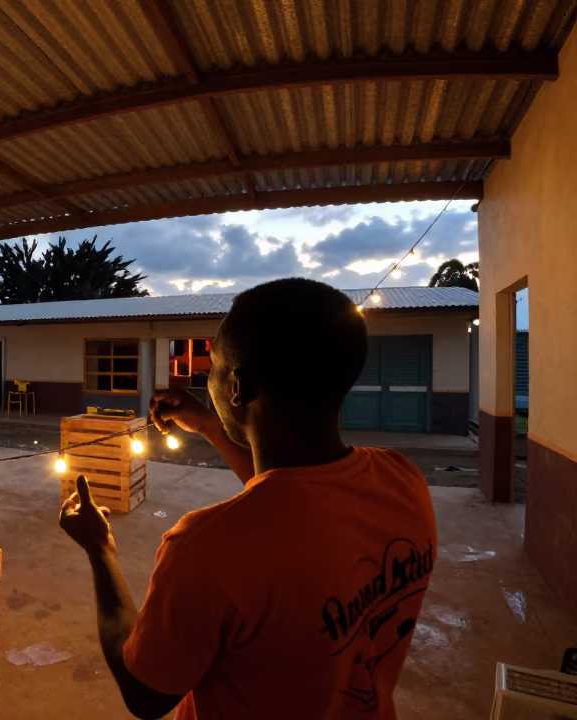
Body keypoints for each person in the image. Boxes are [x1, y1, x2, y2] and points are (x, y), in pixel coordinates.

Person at [59, 278, 437, 719]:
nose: (207, 378)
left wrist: (99, 549)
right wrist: (210, 426)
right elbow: (290, 495)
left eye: (213, 366)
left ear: (237, 387)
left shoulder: (207, 546)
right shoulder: (401, 477)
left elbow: (146, 693)